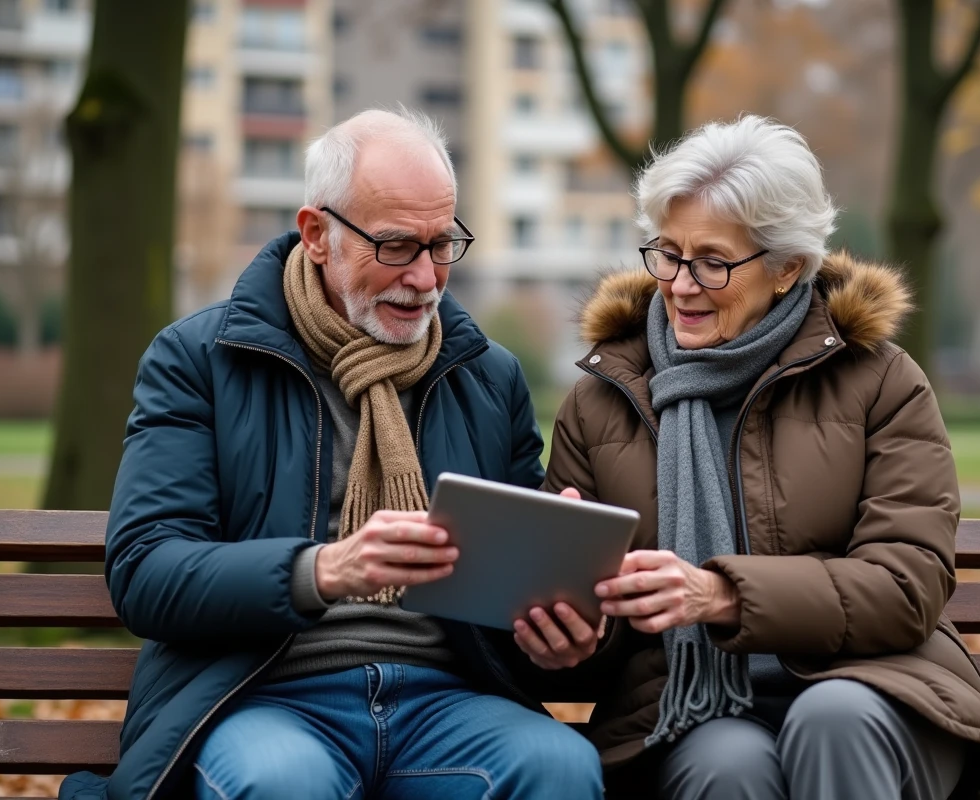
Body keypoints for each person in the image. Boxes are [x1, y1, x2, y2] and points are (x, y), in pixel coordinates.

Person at [60, 108, 603, 800]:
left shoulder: (487, 376)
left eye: (443, 244)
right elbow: (146, 571)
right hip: (262, 696)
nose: (427, 277)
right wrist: (323, 570)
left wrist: (554, 621)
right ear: (317, 235)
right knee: (283, 780)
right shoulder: (199, 359)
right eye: (398, 246)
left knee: (561, 766)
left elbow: (510, 603)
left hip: (446, 700)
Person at [517, 115, 980, 800]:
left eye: (713, 261)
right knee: (729, 765)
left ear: (786, 270)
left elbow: (905, 587)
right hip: (688, 709)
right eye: (666, 253)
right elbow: (581, 659)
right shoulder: (603, 401)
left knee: (832, 719)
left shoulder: (881, 381)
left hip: (880, 689)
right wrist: (569, 637)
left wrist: (720, 595)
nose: (682, 284)